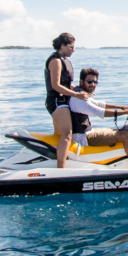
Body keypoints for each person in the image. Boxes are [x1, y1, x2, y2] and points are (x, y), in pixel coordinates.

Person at [68, 68, 128, 168]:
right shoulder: (79, 99)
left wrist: (120, 107)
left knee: (121, 129)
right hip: (82, 137)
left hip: (85, 132)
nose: (93, 84)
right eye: (90, 82)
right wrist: (126, 112)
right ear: (81, 82)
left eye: (95, 82)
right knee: (125, 135)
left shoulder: (79, 93)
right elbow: (100, 112)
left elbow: (99, 104)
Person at [45, 33, 91, 168]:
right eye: (71, 47)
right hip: (57, 101)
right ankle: (61, 168)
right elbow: (56, 86)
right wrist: (76, 96)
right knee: (66, 134)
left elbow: (66, 84)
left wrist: (81, 91)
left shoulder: (64, 61)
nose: (73, 50)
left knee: (59, 134)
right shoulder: (56, 61)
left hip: (63, 100)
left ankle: (57, 159)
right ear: (63, 46)